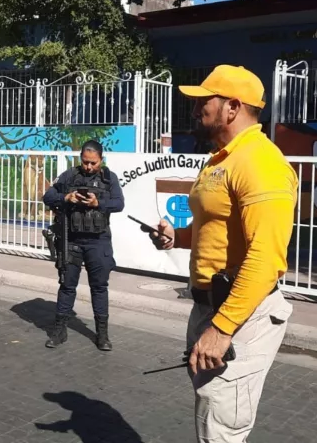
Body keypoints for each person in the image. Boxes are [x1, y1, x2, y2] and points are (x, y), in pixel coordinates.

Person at [148, 65, 297, 443]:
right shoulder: (222, 159)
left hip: (239, 315)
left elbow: (266, 257)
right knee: (209, 414)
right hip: (209, 306)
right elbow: (215, 228)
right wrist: (177, 236)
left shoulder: (260, 161)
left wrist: (222, 328)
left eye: (203, 102)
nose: (196, 110)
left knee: (221, 431)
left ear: (232, 106)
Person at [42, 140, 124, 351]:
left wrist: (98, 203)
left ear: (101, 160)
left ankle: (102, 335)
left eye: (93, 163)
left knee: (99, 287)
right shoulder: (70, 176)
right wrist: (66, 197)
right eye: (85, 162)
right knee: (67, 286)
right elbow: (48, 196)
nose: (88, 167)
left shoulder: (109, 178)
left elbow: (119, 203)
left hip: (98, 241)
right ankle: (59, 330)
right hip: (73, 240)